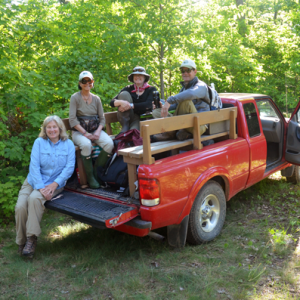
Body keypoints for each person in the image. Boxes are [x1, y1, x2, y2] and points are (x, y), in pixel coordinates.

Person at [15, 115, 75, 258]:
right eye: (49, 127)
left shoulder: (68, 144)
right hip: (33, 181)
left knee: (35, 199)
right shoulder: (39, 142)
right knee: (20, 206)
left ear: (60, 128)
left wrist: (54, 185)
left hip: (55, 183)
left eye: (55, 127)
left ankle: (31, 239)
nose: (52, 130)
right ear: (45, 129)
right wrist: (41, 186)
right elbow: (34, 166)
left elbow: (69, 167)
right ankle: (21, 242)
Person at [69, 71, 114, 189]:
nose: (87, 83)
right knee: (86, 144)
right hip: (79, 132)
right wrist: (85, 133)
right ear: (80, 83)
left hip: (95, 129)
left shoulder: (96, 99)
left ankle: (96, 173)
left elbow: (102, 118)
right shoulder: (75, 98)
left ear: (92, 82)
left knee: (109, 143)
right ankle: (90, 178)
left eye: (89, 81)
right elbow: (72, 120)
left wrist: (98, 131)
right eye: (84, 81)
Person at [152, 59, 210, 141]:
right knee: (156, 112)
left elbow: (191, 94)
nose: (185, 73)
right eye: (183, 71)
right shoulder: (183, 89)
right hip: (184, 123)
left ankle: (171, 132)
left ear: (195, 71)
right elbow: (176, 106)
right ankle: (174, 131)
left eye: (188, 70)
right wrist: (163, 106)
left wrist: (170, 100)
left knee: (186, 101)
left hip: (198, 125)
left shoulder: (201, 86)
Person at [110, 66, 158, 133]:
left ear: (145, 77)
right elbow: (112, 102)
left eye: (140, 75)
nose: (137, 77)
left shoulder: (151, 89)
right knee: (124, 94)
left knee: (134, 132)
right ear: (133, 77)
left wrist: (130, 105)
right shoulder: (128, 88)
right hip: (132, 118)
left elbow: (148, 104)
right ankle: (125, 127)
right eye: (135, 75)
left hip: (146, 119)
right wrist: (121, 102)